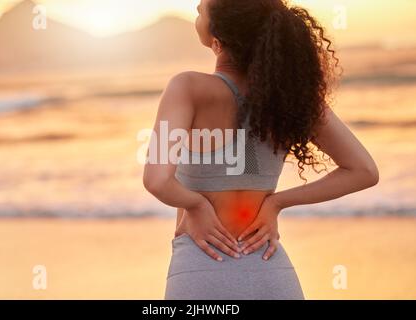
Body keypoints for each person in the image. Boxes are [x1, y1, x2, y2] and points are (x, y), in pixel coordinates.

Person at [143, 0, 379, 300]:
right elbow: (364, 171)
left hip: (202, 266)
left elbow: (156, 180)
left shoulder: (187, 87)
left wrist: (196, 205)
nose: (198, 5)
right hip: (272, 271)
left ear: (219, 33)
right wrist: (277, 203)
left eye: (203, 6)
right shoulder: (290, 98)